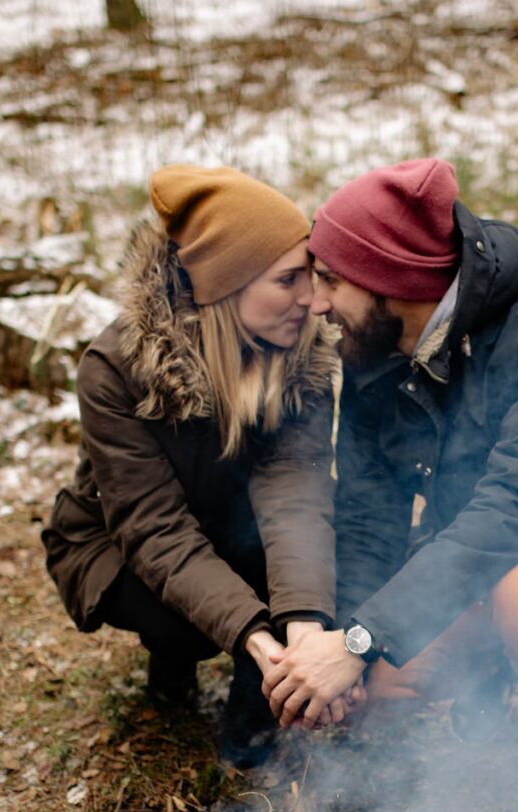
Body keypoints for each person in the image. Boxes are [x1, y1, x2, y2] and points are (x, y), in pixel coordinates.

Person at [262, 157, 518, 812]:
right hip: (468, 558)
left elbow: (515, 509)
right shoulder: (374, 351)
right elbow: (367, 515)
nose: (315, 303)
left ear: (392, 277)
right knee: (372, 693)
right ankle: (488, 677)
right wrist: (346, 648)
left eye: (330, 279)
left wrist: (363, 638)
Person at [42, 163, 352, 757]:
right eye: (288, 280)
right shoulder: (116, 368)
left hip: (235, 525)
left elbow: (295, 495)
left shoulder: (302, 353)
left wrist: (302, 629)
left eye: (310, 274)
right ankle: (175, 655)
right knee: (183, 618)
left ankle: (260, 732)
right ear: (225, 285)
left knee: (294, 572)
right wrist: (255, 637)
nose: (312, 300)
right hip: (117, 546)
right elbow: (153, 529)